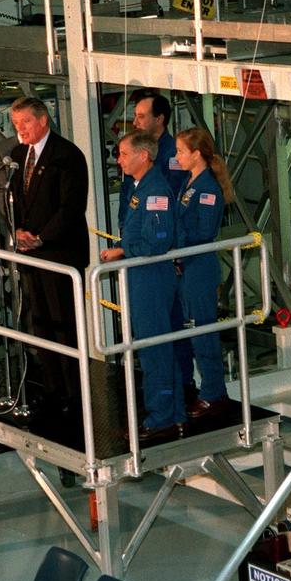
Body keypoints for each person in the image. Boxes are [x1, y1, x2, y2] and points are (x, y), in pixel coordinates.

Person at [7, 96, 90, 418]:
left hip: (60, 253)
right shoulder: (17, 156)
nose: (21, 129)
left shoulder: (67, 155)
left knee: (64, 324)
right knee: (41, 323)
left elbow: (71, 208)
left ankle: (75, 392)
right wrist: (17, 231)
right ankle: (53, 388)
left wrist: (41, 237)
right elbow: (11, 200)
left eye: (25, 122)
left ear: (43, 120)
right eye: (16, 124)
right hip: (31, 255)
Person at [100, 131, 183, 441]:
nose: (118, 160)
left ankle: (161, 417)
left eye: (123, 154)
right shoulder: (140, 188)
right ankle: (173, 412)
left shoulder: (155, 191)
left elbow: (156, 242)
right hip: (141, 275)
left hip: (151, 277)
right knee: (156, 346)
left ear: (143, 156)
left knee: (153, 349)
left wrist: (123, 250)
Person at [117, 89, 195, 401]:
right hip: (143, 261)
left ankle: (173, 398)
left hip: (157, 264)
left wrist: (126, 249)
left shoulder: (168, 162)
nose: (135, 121)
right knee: (153, 339)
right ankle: (167, 399)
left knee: (161, 337)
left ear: (159, 119)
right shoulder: (139, 173)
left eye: (141, 116)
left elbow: (163, 224)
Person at [172, 128, 235, 419]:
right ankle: (204, 388)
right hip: (187, 266)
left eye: (181, 151)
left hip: (199, 266)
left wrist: (178, 244)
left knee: (203, 331)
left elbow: (204, 230)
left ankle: (214, 392)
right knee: (192, 329)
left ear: (196, 154)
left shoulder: (207, 188)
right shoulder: (189, 182)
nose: (177, 157)